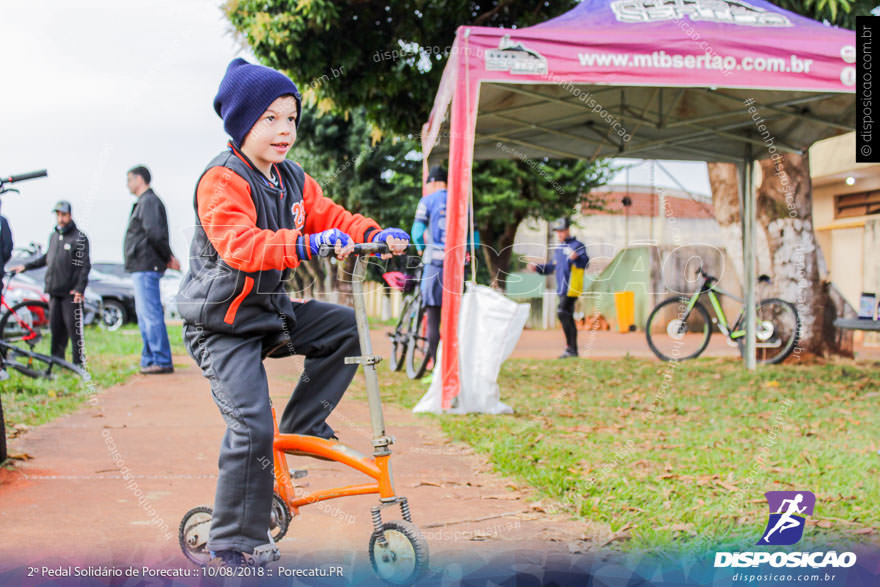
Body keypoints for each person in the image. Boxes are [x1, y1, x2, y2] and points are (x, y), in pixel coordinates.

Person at [176, 57, 408, 567]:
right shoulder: (222, 180)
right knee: (252, 425)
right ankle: (234, 537)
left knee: (346, 327)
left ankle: (305, 424)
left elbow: (333, 217)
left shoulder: (293, 179)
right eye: (270, 119)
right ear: (241, 123)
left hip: (270, 312)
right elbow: (241, 246)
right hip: (221, 325)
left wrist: (374, 234)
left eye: (291, 118)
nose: (285, 130)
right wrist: (305, 243)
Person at [411, 165, 479, 370]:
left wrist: (422, 249)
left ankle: (438, 367)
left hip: (435, 266)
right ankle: (457, 367)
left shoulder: (427, 201)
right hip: (457, 267)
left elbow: (416, 232)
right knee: (455, 320)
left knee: (433, 316)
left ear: (432, 182)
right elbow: (474, 239)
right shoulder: (462, 202)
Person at [10, 201, 90, 367]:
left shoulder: (79, 237)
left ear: (70, 215)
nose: (60, 218)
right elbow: (47, 258)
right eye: (58, 215)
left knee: (73, 330)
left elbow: (84, 266)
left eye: (63, 214)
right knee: (56, 330)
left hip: (70, 293)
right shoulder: (54, 236)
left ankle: (78, 364)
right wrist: (26, 266)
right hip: (54, 292)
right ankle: (57, 361)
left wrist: (79, 289)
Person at [124, 165, 179, 374]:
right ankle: (149, 359)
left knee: (151, 314)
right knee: (144, 314)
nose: (127, 184)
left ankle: (161, 359)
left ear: (140, 179)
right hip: (141, 266)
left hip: (147, 265)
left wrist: (168, 257)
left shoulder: (149, 202)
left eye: (129, 179)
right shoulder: (143, 203)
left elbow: (155, 234)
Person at [528, 217, 589, 359]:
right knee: (567, 315)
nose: (560, 234)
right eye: (558, 232)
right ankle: (572, 349)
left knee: (562, 312)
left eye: (562, 231)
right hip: (562, 288)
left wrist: (577, 258)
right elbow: (551, 268)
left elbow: (585, 262)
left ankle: (571, 349)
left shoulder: (577, 245)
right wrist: (537, 267)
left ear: (567, 230)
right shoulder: (559, 249)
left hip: (572, 286)